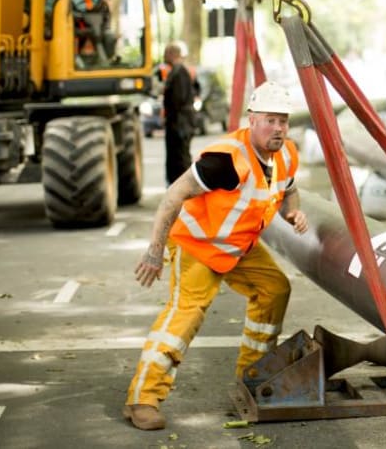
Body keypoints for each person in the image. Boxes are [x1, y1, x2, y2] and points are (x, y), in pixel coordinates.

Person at [123, 81, 309, 431]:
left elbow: (290, 189)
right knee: (185, 316)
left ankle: (251, 375)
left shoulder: (285, 153)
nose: (279, 128)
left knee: (275, 289)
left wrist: (292, 213)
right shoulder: (225, 160)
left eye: (283, 121)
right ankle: (142, 399)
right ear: (252, 120)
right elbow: (173, 196)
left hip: (239, 247)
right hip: (198, 246)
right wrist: (154, 251)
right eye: (270, 120)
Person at [160, 41, 197, 185]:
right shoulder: (176, 71)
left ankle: (184, 186)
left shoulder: (179, 72)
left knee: (180, 157)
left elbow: (178, 99)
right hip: (178, 122)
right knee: (177, 157)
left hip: (180, 123)